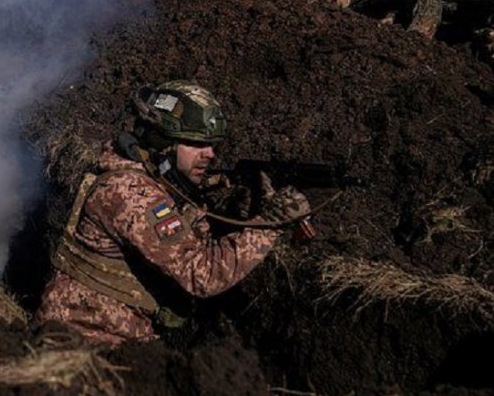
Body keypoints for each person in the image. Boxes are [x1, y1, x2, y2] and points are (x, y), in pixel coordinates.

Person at [36, 80, 311, 345]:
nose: (210, 154)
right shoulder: (132, 194)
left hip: (108, 335)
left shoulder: (150, 177)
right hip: (88, 341)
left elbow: (193, 238)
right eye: (196, 144)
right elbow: (202, 275)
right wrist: (269, 225)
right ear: (163, 143)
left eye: (212, 144)